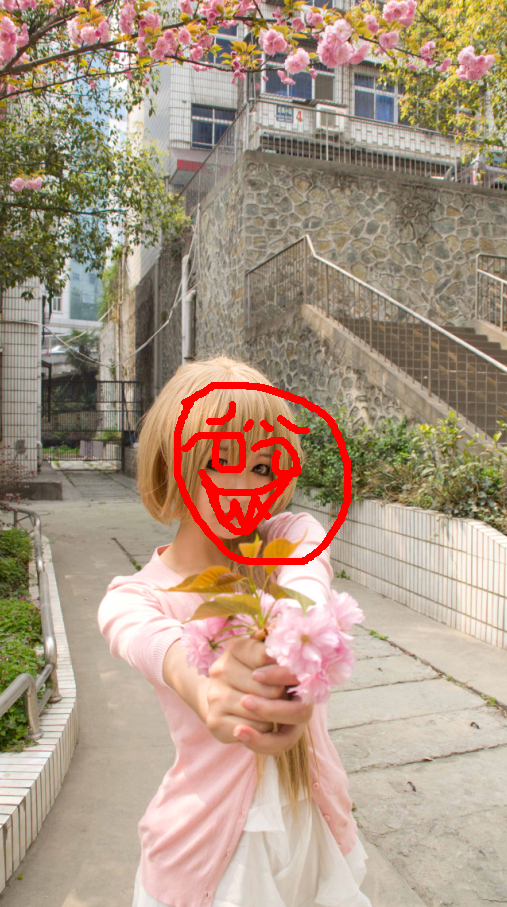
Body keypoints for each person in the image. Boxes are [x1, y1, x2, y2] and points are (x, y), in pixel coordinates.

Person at [97, 355, 372, 907]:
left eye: (264, 467)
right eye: (223, 460)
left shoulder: (287, 539)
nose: (246, 487)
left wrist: (300, 623)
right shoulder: (136, 598)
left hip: (313, 830)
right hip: (210, 857)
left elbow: (307, 571)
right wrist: (209, 690)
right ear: (174, 460)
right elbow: (160, 648)